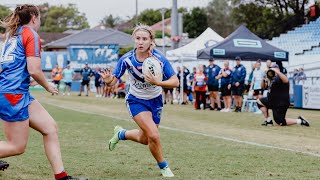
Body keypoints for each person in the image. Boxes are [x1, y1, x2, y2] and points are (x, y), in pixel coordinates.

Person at [0, 4, 86, 180]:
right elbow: (34, 69)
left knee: (50, 128)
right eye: (39, 18)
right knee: (17, 147)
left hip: (17, 91)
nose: (40, 21)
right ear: (34, 18)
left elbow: (13, 66)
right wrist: (48, 85)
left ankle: (61, 177)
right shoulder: (31, 34)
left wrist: (24, 78)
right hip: (13, 93)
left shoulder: (13, 35)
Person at [99, 24, 178, 177]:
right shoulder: (127, 59)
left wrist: (158, 82)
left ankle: (121, 134)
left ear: (151, 41)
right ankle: (164, 168)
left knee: (145, 139)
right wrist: (108, 80)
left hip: (155, 101)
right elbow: (113, 82)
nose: (140, 42)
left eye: (144, 39)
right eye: (138, 38)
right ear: (134, 40)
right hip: (136, 100)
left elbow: (175, 81)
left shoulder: (159, 59)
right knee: (154, 136)